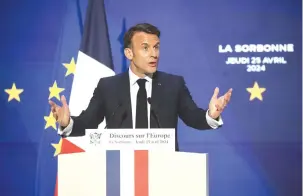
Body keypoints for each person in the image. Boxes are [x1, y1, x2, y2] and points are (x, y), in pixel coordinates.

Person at [49, 23, 232, 151]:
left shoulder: (173, 85)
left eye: (156, 47)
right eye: (145, 48)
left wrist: (211, 115)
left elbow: (193, 117)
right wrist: (67, 123)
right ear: (129, 53)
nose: (154, 54)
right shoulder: (108, 86)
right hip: (120, 172)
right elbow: (88, 122)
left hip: (164, 171)